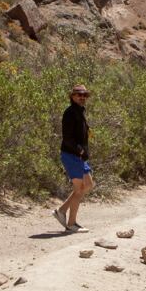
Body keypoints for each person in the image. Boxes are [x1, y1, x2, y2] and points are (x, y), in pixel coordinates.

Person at [54, 83, 94, 232]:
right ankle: (71, 224)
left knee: (88, 185)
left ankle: (62, 211)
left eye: (84, 95)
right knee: (79, 190)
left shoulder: (80, 112)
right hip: (71, 155)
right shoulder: (70, 113)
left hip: (79, 156)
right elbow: (67, 138)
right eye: (79, 95)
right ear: (72, 97)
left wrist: (83, 152)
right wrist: (80, 151)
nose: (82, 97)